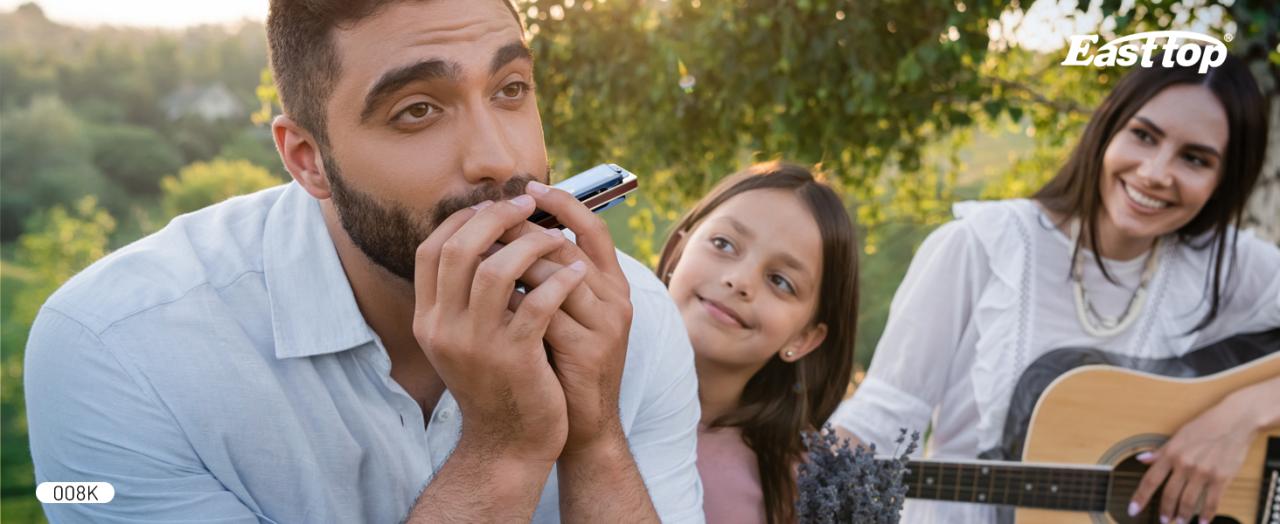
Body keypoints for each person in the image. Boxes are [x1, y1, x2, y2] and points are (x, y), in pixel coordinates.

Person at [24, 1, 704, 522]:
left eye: (510, 88)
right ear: (308, 160)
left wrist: (595, 438)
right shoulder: (118, 348)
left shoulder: (631, 317)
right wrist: (503, 450)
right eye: (417, 111)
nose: (498, 157)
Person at [829, 52, 1280, 524]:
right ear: (1108, 128)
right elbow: (885, 412)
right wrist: (796, 477)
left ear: (1223, 181)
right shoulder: (982, 246)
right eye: (1144, 136)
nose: (1154, 173)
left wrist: (1239, 417)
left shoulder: (1226, 267)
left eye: (1194, 158)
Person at [655, 162, 859, 523]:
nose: (739, 280)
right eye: (723, 244)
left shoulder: (803, 486)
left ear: (805, 337)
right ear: (676, 252)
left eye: (780, 281)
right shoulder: (564, 378)